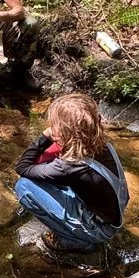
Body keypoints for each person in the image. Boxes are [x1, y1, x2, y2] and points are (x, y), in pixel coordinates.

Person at [14, 93, 129, 252]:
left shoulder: (70, 166)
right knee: (45, 172)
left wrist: (45, 136)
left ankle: (75, 241)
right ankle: (82, 228)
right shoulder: (103, 144)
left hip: (99, 229)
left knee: (23, 185)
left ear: (65, 132)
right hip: (112, 215)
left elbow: (23, 167)